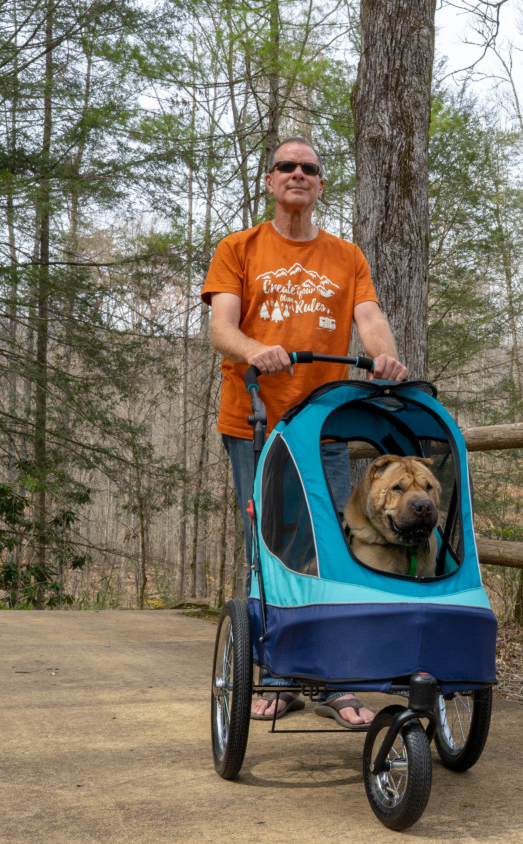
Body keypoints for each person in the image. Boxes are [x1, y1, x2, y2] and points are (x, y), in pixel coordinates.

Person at [202, 136, 407, 728]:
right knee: (268, 548)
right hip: (256, 420)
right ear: (270, 180)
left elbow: (370, 321)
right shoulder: (238, 248)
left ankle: (338, 681)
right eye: (286, 166)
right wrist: (255, 348)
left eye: (309, 169)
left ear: (320, 184)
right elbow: (222, 327)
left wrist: (386, 362)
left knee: (333, 547)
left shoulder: (346, 256)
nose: (297, 174)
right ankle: (281, 675)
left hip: (325, 424)